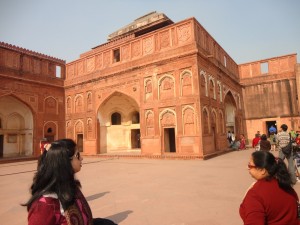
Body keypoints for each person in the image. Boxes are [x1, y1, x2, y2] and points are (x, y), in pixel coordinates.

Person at [23, 139, 117, 225]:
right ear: (64, 162)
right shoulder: (44, 206)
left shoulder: (70, 187)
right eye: (77, 155)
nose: (81, 158)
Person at [240, 151, 299, 224]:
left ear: (262, 170)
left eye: (250, 166)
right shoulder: (286, 186)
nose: (247, 168)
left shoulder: (255, 194)